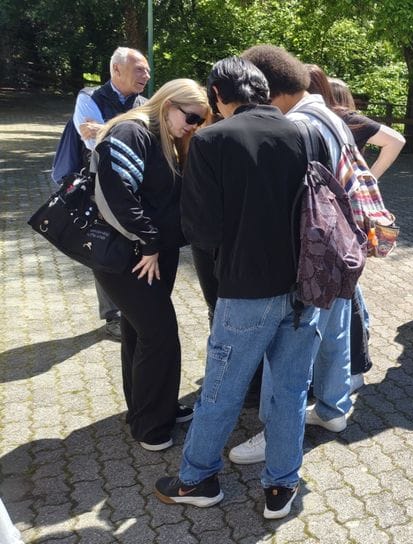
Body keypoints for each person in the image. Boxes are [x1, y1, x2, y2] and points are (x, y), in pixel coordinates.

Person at [155, 56, 318, 520]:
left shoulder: (210, 139)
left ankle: (197, 478)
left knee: (222, 390)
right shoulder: (300, 132)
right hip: (306, 285)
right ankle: (282, 485)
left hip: (246, 288)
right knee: (289, 392)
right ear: (264, 91)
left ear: (218, 96)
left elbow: (201, 232)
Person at [226, 45, 360, 468]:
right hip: (341, 242)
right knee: (334, 328)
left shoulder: (297, 126)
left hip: (310, 250)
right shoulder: (328, 115)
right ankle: (334, 409)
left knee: (286, 350)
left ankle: (274, 431)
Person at [91, 78, 210, 450]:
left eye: (198, 121)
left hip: (150, 254)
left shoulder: (165, 138)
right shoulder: (132, 130)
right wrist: (149, 242)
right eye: (190, 117)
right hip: (130, 256)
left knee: (139, 332)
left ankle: (148, 409)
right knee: (159, 336)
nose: (191, 126)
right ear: (169, 103)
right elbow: (116, 193)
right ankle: (151, 426)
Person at [308, 67, 403, 394]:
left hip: (340, 214)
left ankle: (355, 365)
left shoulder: (339, 119)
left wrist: (370, 178)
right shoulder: (340, 120)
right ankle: (352, 364)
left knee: (348, 291)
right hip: (341, 214)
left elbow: (396, 140)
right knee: (350, 289)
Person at [61, 47, 151, 340]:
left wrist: (106, 129)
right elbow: (92, 145)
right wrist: (126, 133)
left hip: (134, 187)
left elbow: (150, 143)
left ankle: (129, 306)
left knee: (131, 242)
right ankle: (112, 315)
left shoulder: (146, 103)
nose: (146, 76)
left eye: (147, 70)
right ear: (116, 70)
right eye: (139, 69)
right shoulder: (89, 98)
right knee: (103, 244)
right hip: (98, 186)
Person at [326, 76, 405, 179]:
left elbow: (397, 140)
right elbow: (396, 141)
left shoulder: (350, 120)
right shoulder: (349, 120)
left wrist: (370, 178)